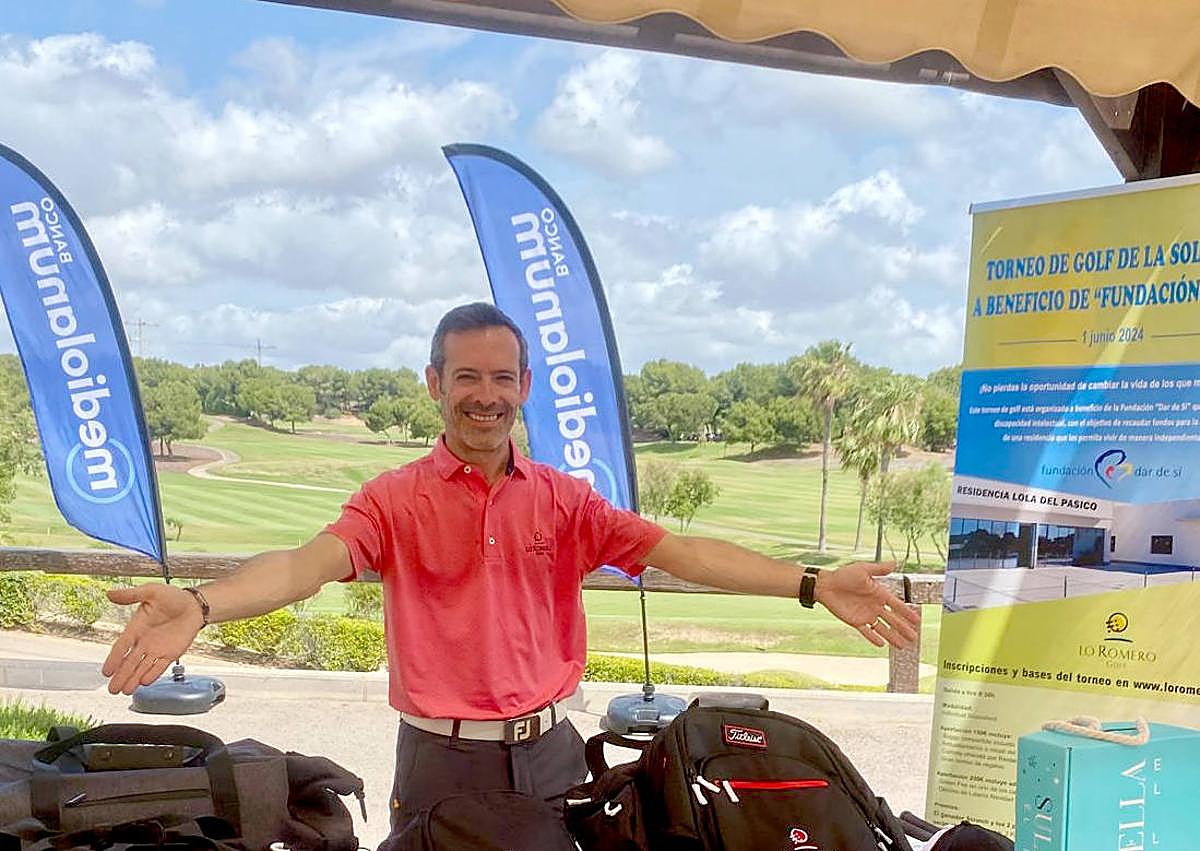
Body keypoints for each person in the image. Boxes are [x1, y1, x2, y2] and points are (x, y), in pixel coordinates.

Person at [101, 302, 920, 836]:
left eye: (501, 377)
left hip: (554, 752)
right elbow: (303, 565)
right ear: (435, 384)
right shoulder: (393, 499)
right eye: (466, 376)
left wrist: (812, 583)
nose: (484, 394)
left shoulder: (566, 500)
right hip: (439, 761)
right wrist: (201, 604)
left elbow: (684, 552)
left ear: (524, 385)